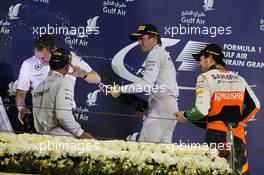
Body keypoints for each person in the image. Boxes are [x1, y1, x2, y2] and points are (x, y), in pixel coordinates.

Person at [175, 44, 260, 174]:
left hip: (217, 136)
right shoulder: (239, 78)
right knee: (241, 171)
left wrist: (185, 115)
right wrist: (239, 122)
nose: (199, 64)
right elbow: (255, 106)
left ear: (210, 58)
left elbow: (201, 111)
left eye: (201, 59)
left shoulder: (205, 77)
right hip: (237, 135)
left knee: (219, 171)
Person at [110, 24, 179, 143]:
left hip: (162, 107)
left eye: (142, 39)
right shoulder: (162, 53)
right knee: (162, 153)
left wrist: (121, 89)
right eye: (138, 39)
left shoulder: (154, 54)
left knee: (144, 148)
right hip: (170, 107)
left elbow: (146, 84)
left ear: (154, 38)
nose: (139, 43)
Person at [16, 34, 101, 126]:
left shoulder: (69, 57)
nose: (39, 60)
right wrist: (21, 108)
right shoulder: (28, 64)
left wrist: (83, 75)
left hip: (64, 114)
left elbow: (97, 78)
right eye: (37, 57)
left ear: (54, 51)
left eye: (43, 58)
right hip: (39, 116)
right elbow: (21, 92)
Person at [32, 48, 92, 139]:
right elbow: (63, 115)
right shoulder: (64, 82)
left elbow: (37, 125)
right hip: (63, 139)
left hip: (43, 138)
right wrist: (80, 133)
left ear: (50, 64)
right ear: (67, 67)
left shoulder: (38, 87)